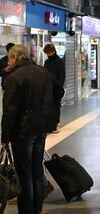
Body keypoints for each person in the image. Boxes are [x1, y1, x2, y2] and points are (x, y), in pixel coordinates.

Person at [1, 44, 64, 214]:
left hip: (23, 130)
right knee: (36, 171)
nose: (9, 61)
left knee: (24, 174)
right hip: (41, 128)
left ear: (14, 58)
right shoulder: (43, 71)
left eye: (9, 58)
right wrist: (48, 110)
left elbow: (9, 110)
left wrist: (4, 137)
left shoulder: (15, 77)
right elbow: (60, 91)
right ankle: (37, 210)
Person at [43, 44, 66, 133]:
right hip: (48, 88)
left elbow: (61, 76)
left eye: (49, 52)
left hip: (56, 88)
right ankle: (50, 124)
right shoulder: (47, 62)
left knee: (56, 106)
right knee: (49, 106)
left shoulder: (59, 62)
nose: (48, 54)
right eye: (47, 53)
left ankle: (56, 123)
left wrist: (59, 88)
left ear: (53, 51)